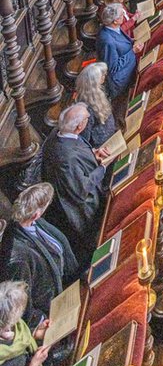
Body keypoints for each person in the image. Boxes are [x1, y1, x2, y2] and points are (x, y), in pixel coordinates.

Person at [0, 186, 78, 328]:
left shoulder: (35, 222)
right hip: (51, 312)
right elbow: (19, 299)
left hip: (65, 291)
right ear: (36, 214)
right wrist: (38, 321)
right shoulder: (16, 258)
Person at [40, 104, 107, 268]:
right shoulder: (66, 158)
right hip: (82, 209)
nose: (88, 119)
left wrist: (93, 154)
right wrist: (102, 168)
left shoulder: (59, 133)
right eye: (87, 118)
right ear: (79, 126)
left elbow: (78, 152)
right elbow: (81, 191)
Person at [0, 281, 50, 366]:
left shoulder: (13, 323)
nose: (21, 315)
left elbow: (20, 340)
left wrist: (35, 333)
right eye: (19, 311)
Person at [95, 2, 141, 99]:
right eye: (121, 15)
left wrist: (133, 41)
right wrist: (133, 51)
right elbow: (113, 67)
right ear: (115, 21)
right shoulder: (108, 41)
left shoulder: (113, 28)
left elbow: (122, 43)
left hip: (130, 69)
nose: (124, 16)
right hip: (121, 80)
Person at [73, 61, 118, 149]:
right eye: (102, 76)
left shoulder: (99, 92)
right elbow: (85, 137)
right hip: (100, 144)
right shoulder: (85, 107)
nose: (104, 77)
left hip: (109, 134)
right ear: (94, 82)